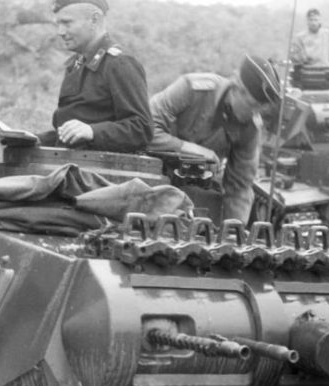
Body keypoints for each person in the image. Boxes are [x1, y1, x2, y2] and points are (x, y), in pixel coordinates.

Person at [148, 55, 281, 224]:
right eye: (252, 105)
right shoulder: (192, 89)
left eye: (259, 110)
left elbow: (239, 187)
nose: (254, 114)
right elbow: (143, 130)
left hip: (195, 198)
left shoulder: (250, 128)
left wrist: (234, 234)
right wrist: (190, 149)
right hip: (153, 185)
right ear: (237, 88)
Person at [45, 0, 152, 153]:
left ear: (94, 20)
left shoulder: (119, 63)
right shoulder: (75, 64)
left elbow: (142, 128)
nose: (60, 32)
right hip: (71, 162)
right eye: (58, 24)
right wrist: (33, 139)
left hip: (101, 170)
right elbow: (68, 132)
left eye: (67, 23)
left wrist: (93, 131)